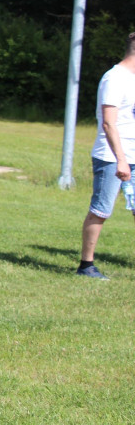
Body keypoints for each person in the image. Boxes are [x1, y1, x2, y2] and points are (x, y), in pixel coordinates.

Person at [77, 33, 135, 279]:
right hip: (112, 156)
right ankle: (86, 265)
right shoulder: (114, 78)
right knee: (101, 210)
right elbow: (109, 124)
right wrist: (121, 159)